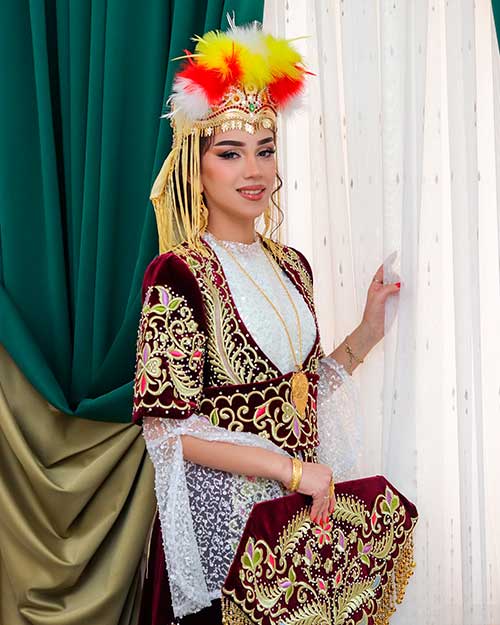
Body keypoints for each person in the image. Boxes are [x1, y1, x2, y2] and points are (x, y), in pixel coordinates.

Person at [132, 21, 413, 625]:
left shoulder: (292, 267)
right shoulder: (178, 273)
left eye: (265, 149)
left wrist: (367, 331)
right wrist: (289, 470)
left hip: (296, 527)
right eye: (230, 153)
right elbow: (168, 433)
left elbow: (302, 391)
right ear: (195, 165)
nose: (253, 170)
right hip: (226, 527)